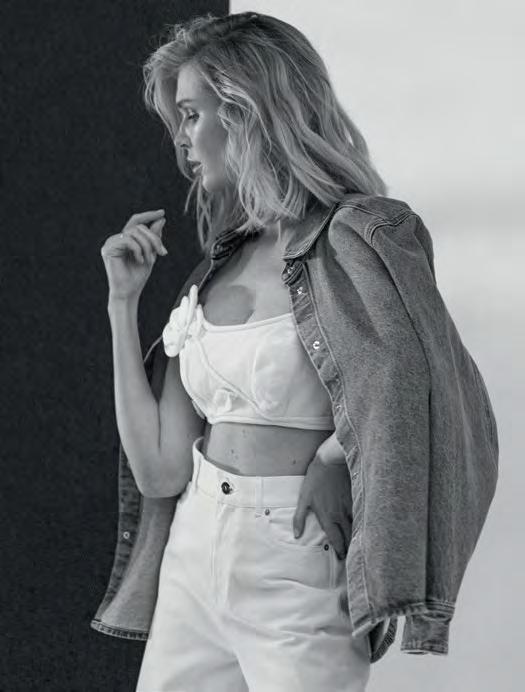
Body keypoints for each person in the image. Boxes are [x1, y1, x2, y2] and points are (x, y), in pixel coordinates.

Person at [95, 11, 498, 692]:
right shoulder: (216, 266)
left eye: (191, 115)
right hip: (194, 548)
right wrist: (121, 304)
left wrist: (336, 455)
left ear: (246, 110)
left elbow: (425, 380)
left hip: (298, 550)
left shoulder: (362, 236)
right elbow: (160, 471)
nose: (182, 138)